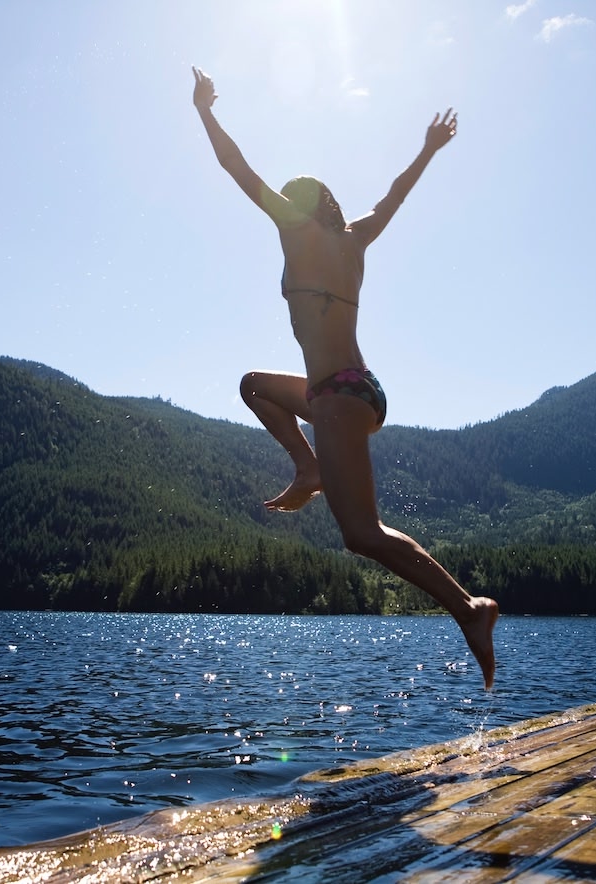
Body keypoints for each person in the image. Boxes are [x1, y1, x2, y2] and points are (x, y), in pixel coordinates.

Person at [191, 66, 499, 690]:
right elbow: (393, 197)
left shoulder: (291, 225)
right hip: (353, 389)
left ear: (299, 204)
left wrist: (204, 110)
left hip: (336, 397)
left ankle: (469, 607)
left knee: (362, 534)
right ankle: (308, 470)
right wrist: (427, 150)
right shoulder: (355, 237)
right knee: (254, 384)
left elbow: (236, 166)